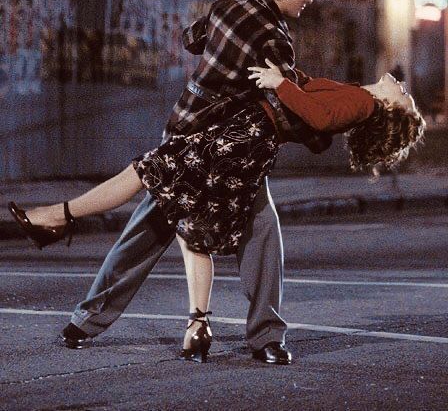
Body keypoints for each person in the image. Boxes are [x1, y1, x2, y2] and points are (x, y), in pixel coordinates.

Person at [8, 0, 330, 366]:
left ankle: (85, 321)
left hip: (183, 127)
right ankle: (265, 338)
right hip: (224, 149)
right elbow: (283, 105)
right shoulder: (276, 41)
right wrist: (328, 126)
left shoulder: (224, 7)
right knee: (261, 228)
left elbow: (190, 39)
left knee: (149, 226)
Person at [9, 60, 425, 363]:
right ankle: (197, 326)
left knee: (149, 174)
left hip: (240, 140)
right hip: (246, 140)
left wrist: (281, 82)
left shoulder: (364, 104)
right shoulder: (359, 95)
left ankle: (58, 217)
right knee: (190, 221)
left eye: (404, 96)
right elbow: (316, 110)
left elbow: (315, 112)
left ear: (391, 111)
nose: (401, 85)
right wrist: (291, 80)